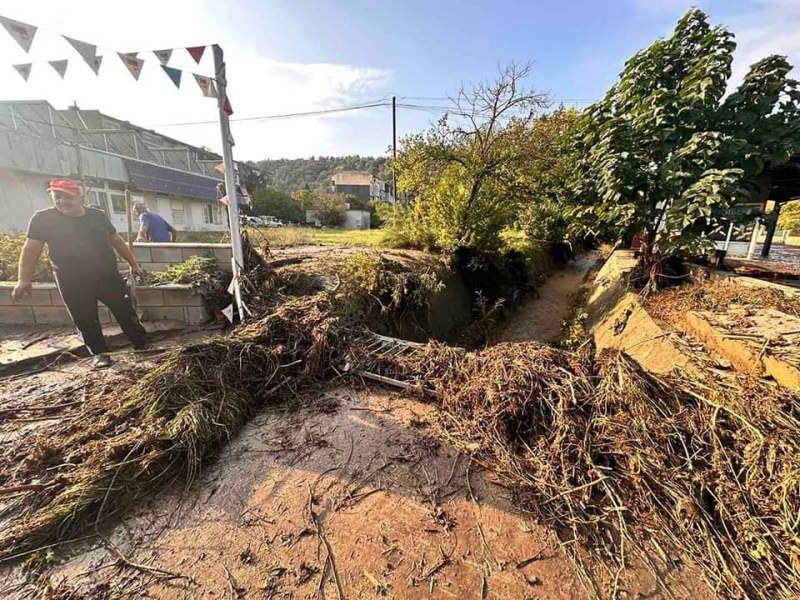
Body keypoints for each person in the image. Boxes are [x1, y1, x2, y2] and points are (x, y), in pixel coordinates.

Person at [12, 178, 148, 369]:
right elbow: (30, 250)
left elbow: (117, 241)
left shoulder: (97, 216)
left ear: (79, 196)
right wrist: (23, 279)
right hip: (72, 282)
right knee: (84, 318)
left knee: (126, 311)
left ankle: (140, 344)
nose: (62, 202)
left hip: (107, 276)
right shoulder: (43, 219)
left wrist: (133, 265)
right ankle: (100, 353)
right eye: (57, 197)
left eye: (67, 197)